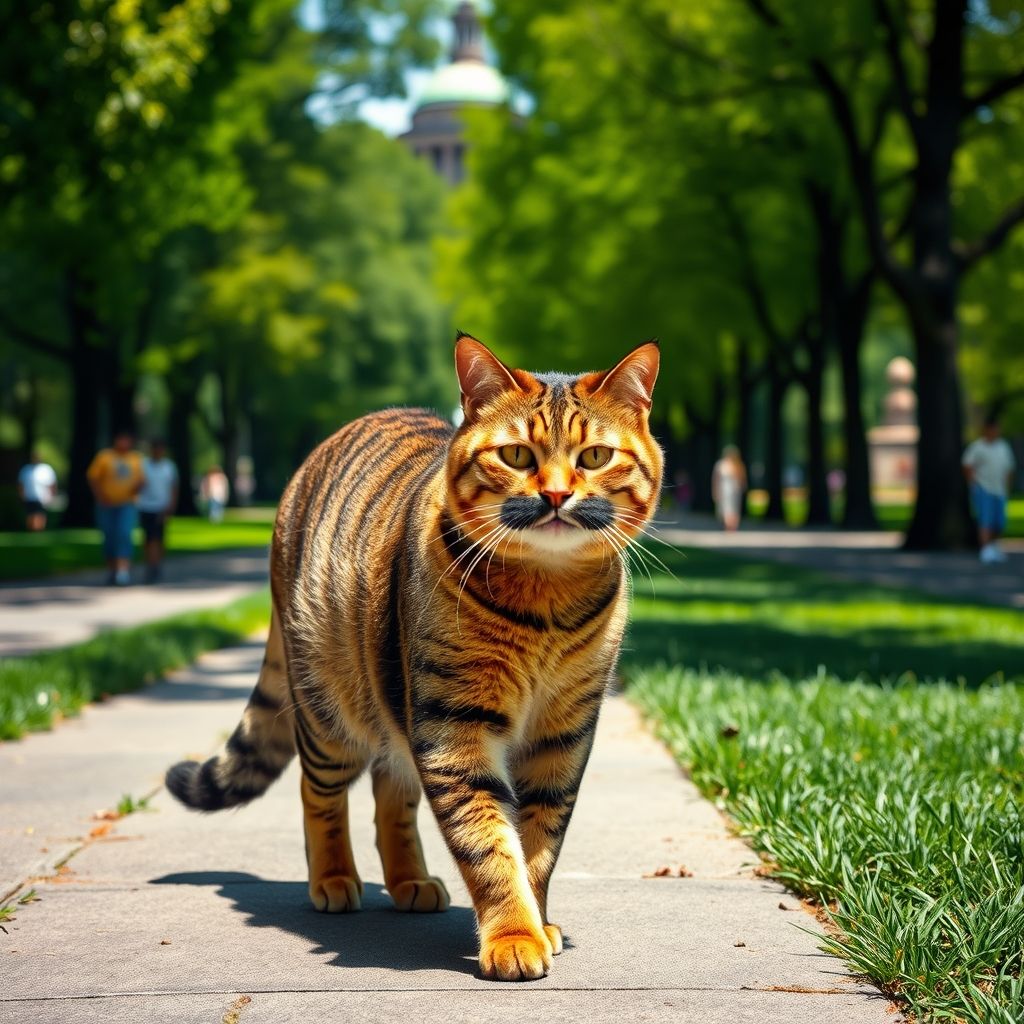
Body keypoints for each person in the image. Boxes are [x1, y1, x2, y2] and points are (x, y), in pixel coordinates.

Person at [87, 432, 144, 586]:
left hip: (127, 504)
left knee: (124, 534)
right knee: (110, 537)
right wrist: (100, 496)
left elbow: (142, 480)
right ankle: (112, 569)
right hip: (107, 505)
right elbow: (93, 477)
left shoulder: (136, 459)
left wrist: (136, 489)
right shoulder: (105, 457)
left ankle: (123, 570)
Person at [963, 415, 1016, 564]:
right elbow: (967, 465)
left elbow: (1009, 468)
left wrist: (1007, 486)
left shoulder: (1003, 446)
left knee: (999, 522)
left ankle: (994, 547)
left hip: (1000, 489)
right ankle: (985, 549)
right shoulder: (978, 447)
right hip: (984, 488)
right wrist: (973, 484)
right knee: (985, 520)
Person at [137, 440, 179, 583]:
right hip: (145, 506)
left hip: (161, 507)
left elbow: (173, 487)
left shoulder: (169, 467)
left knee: (158, 538)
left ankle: (156, 565)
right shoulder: (143, 465)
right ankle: (151, 565)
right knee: (148, 538)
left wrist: (171, 506)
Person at [17, 450, 57, 531]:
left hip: (43, 497)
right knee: (31, 515)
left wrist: (51, 495)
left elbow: (52, 484)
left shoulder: (46, 469)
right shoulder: (26, 469)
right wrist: (22, 495)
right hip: (29, 497)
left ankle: (39, 530)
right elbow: (21, 484)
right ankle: (32, 530)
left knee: (40, 515)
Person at [712, 445, 748, 532]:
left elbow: (742, 478)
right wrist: (715, 491)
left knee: (734, 508)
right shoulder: (721, 464)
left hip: (735, 489)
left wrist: (743, 486)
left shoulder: (737, 464)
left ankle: (732, 526)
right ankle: (729, 526)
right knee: (727, 507)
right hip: (724, 489)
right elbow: (716, 479)